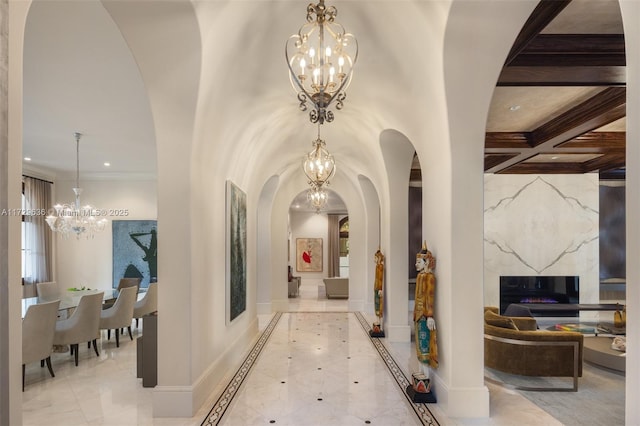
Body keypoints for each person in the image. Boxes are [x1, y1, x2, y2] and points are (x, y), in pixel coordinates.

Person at [413, 242, 438, 370]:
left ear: (426, 262)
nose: (416, 264)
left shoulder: (429, 277)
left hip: (424, 315)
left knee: (425, 344)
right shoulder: (420, 276)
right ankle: (421, 372)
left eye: (419, 262)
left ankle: (425, 375)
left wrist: (429, 316)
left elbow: (429, 297)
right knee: (419, 342)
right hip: (418, 314)